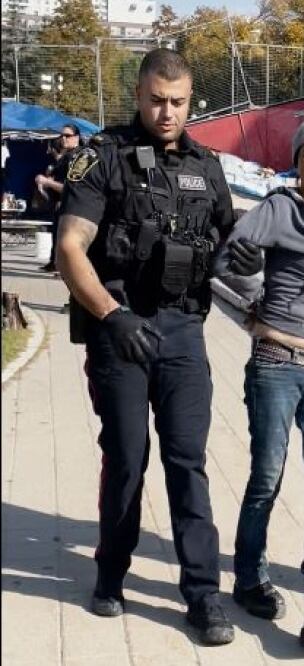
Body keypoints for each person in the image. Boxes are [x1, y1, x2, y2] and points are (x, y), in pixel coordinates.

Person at [56, 48, 235, 646]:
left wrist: (245, 260)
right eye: (156, 100)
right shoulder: (100, 158)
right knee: (128, 458)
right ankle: (110, 573)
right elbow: (70, 250)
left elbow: (228, 244)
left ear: (190, 101)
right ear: (138, 95)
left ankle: (204, 595)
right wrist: (111, 315)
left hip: (184, 332)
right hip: (123, 331)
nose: (166, 112)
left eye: (178, 102)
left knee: (188, 462)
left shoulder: (208, 166)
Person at [214, 115, 304, 648]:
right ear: (296, 161)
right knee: (267, 478)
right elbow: (227, 257)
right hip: (276, 362)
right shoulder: (278, 207)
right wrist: (255, 287)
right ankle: (250, 577)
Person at [36, 124, 81, 271]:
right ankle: (55, 264)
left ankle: (65, 269)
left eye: (67, 136)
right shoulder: (65, 157)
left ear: (76, 138)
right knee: (57, 236)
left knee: (67, 240)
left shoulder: (76, 158)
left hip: (71, 207)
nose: (63, 138)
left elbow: (70, 187)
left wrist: (47, 181)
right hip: (60, 204)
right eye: (61, 135)